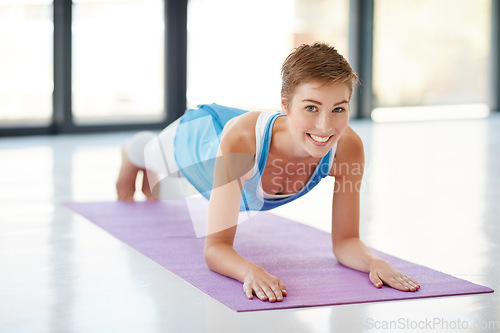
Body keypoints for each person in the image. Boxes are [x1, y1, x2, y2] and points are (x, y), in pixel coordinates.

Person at [116, 42, 420, 303]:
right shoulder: (241, 141)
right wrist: (250, 271)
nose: (326, 127)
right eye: (311, 108)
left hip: (245, 143)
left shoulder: (347, 147)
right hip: (200, 139)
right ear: (285, 104)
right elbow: (216, 249)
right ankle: (131, 149)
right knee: (152, 158)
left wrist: (374, 263)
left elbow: (345, 242)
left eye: (338, 109)